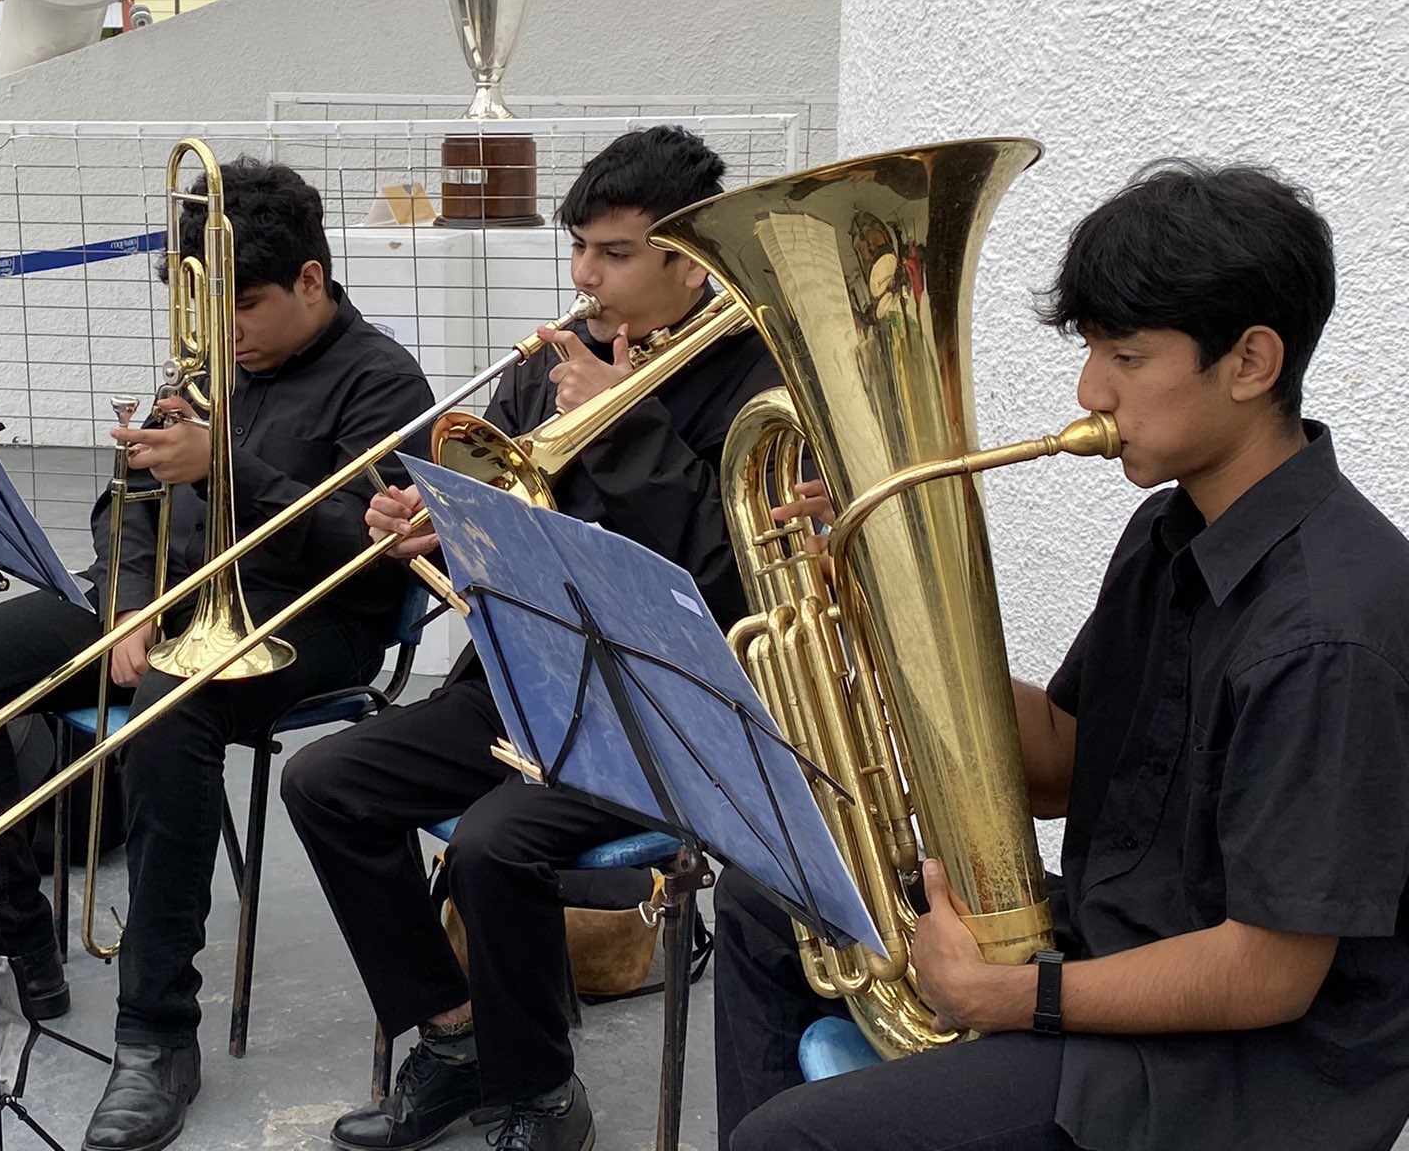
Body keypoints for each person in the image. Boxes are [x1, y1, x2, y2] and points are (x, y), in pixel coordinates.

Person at [719, 162, 1409, 1151]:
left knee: (789, 1140)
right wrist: (884, 592)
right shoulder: (1167, 533)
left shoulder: (1328, 630)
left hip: (1243, 1072)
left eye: (1125, 355)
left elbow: (1267, 973)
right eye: (1091, 350)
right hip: (1118, 943)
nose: (1090, 390)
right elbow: (1058, 766)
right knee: (762, 904)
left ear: (1250, 363)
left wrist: (1009, 997)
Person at [0, 158, 436, 1151]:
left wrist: (227, 467)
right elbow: (124, 502)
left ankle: (156, 1035)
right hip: (168, 604)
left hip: (309, 619)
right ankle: (8, 930)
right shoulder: (205, 363)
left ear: (311, 279)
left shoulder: (382, 380)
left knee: (173, 712)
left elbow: (368, 550)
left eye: (247, 306)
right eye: (212, 310)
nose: (228, 334)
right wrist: (128, 605)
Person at [280, 125, 782, 1151]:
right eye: (579, 247)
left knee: (496, 843)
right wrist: (426, 526)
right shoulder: (554, 362)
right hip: (526, 675)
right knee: (325, 783)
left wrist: (624, 426)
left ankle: (543, 1094)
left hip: (672, 707)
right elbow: (492, 505)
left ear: (690, 261)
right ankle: (455, 1035)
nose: (584, 276)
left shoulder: (760, 384)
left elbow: (727, 579)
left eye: (614, 253)